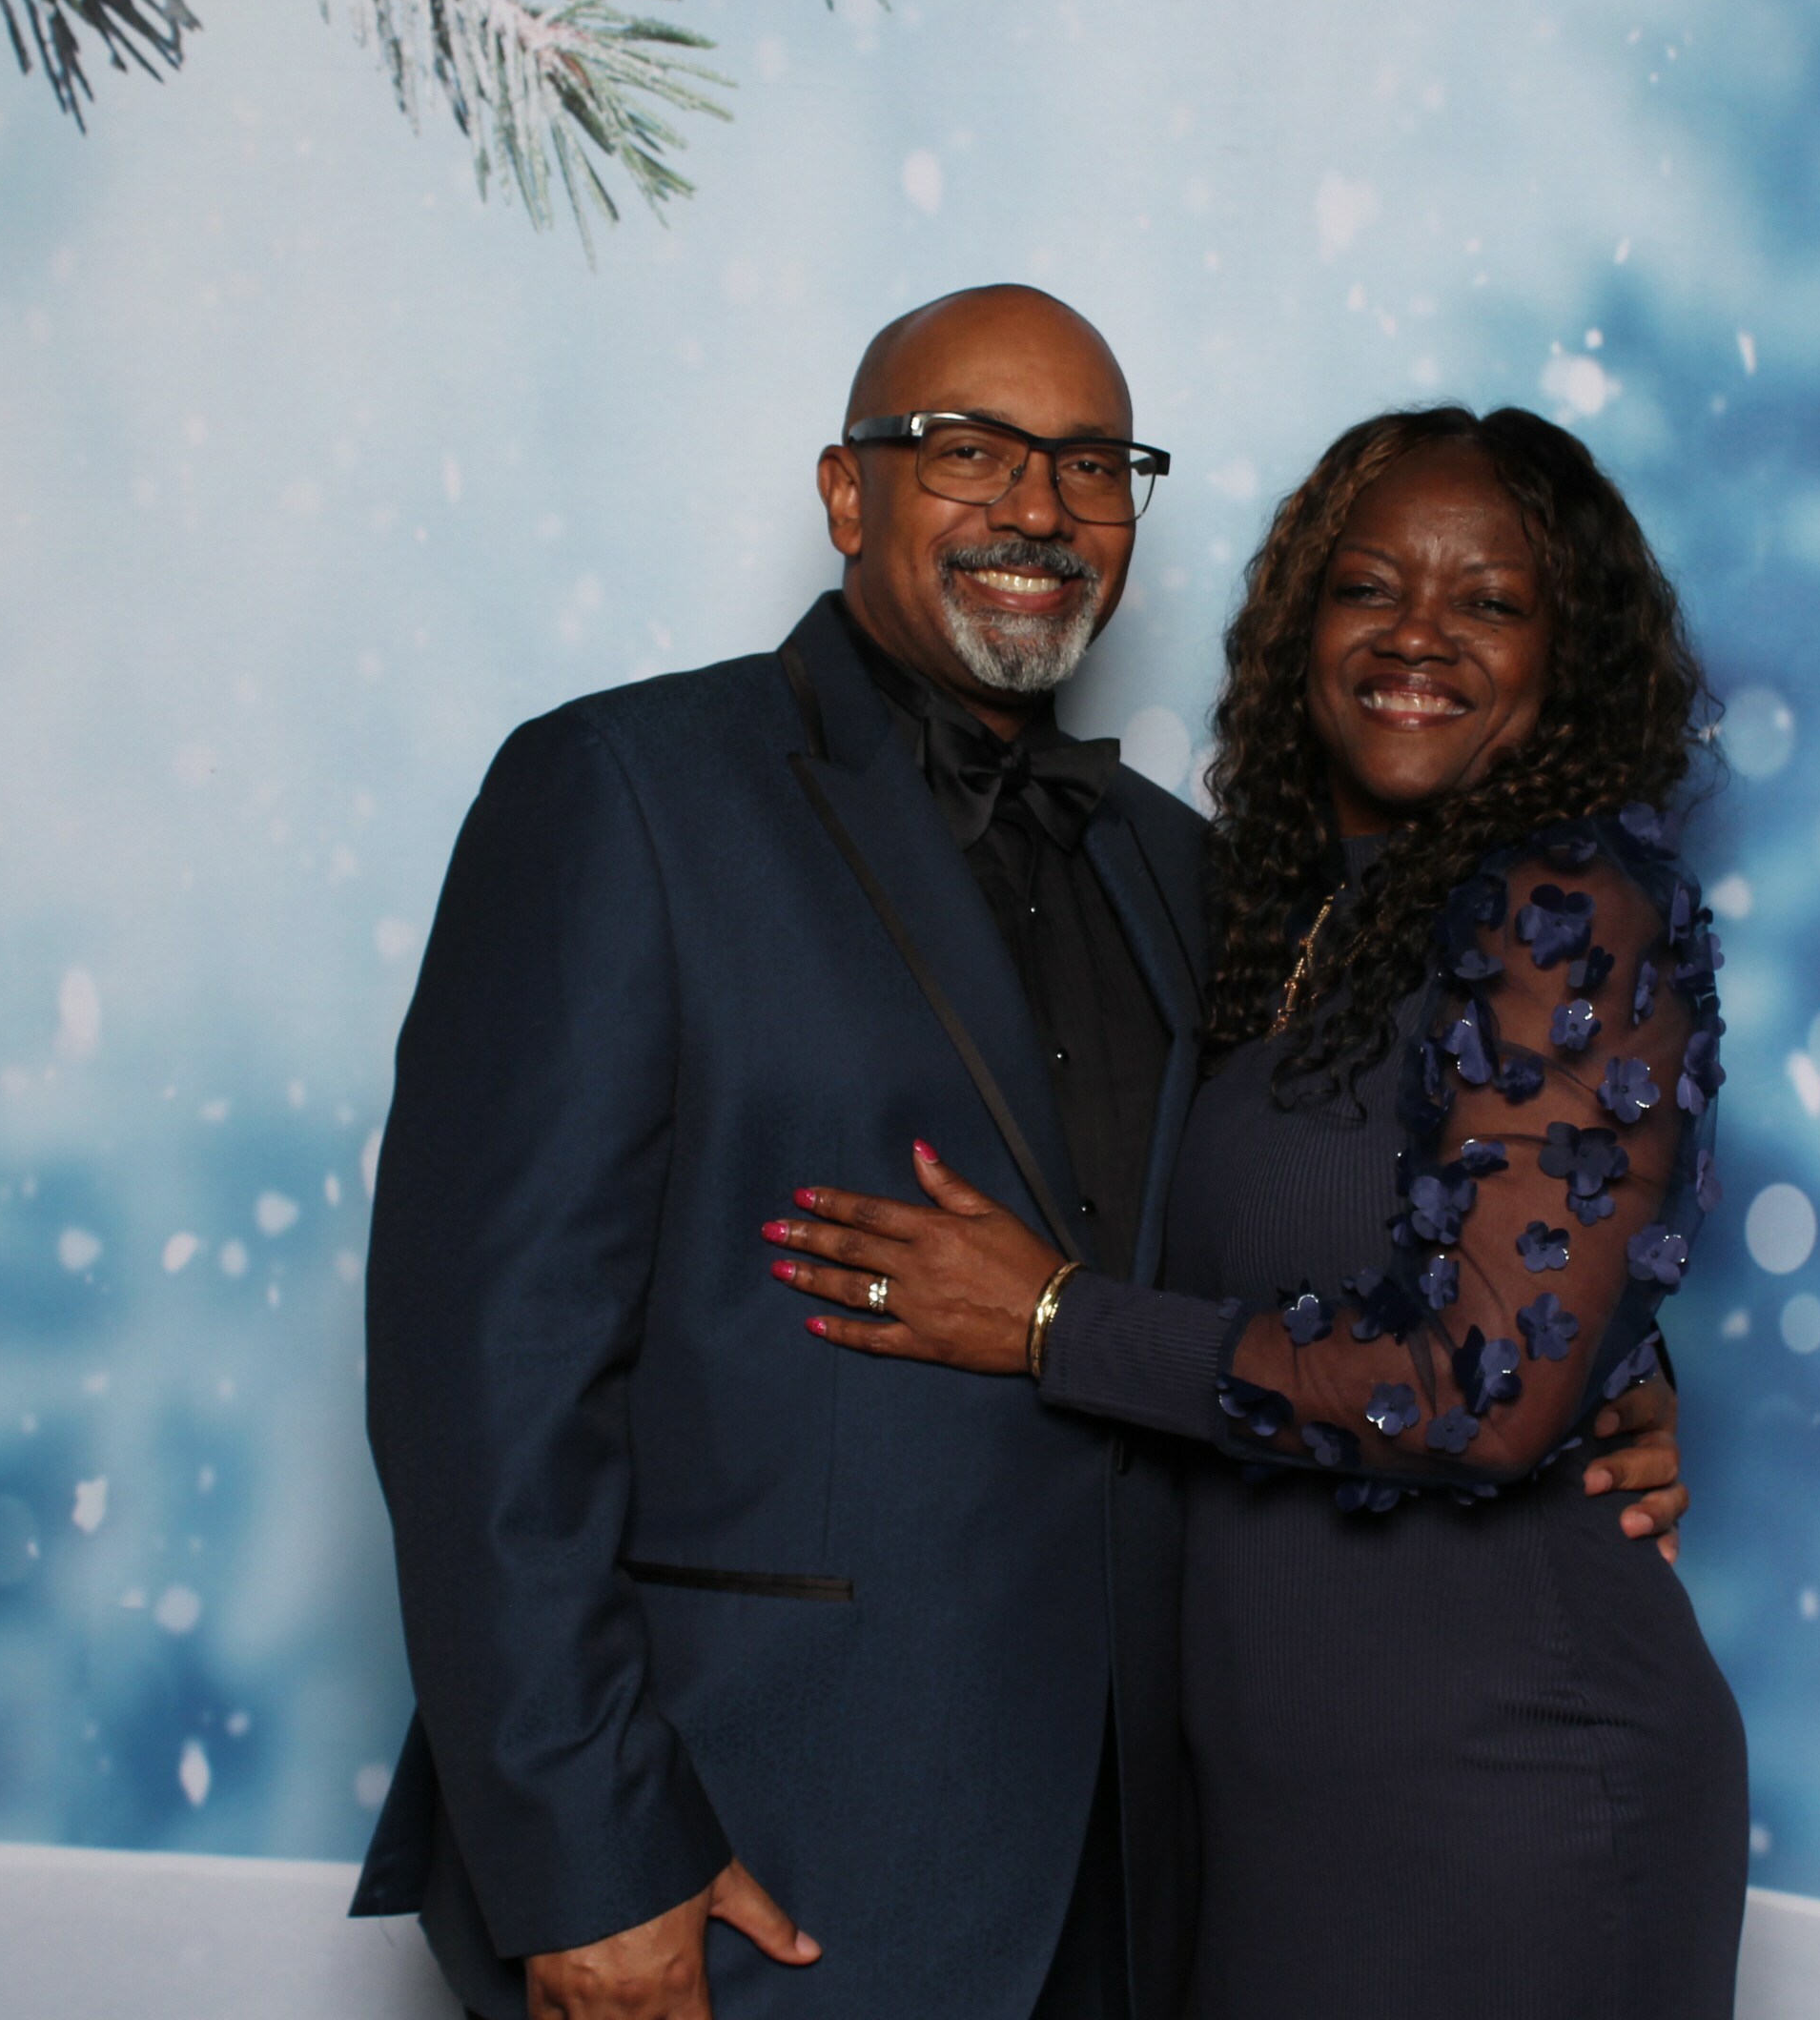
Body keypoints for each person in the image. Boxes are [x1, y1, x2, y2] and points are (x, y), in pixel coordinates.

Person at [348, 296, 1689, 2020]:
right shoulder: (625, 790)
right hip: (763, 1844)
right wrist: (585, 1852)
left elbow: (1372, 1224)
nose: (1038, 508)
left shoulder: (1184, 872)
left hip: (1151, 1870)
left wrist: (1596, 1370)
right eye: (968, 451)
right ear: (848, 492)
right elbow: (483, 1369)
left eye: (1090, 465)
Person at [769, 404, 1751, 2019]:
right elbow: (1433, 1250)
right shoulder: (1277, 917)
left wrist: (1051, 1321)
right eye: (1369, 588)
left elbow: (1484, 1390)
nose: (1418, 635)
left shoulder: (1567, 904)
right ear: (1302, 627)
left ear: (1568, 656)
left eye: (1490, 601)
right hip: (1271, 1799)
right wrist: (1616, 1361)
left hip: (1505, 1792)